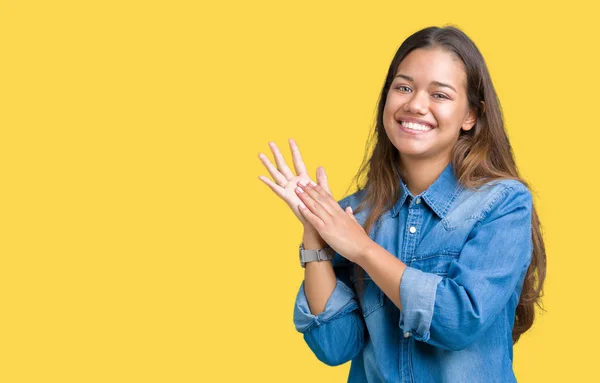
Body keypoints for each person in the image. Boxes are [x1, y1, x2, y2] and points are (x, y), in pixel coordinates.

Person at [258, 25, 546, 383]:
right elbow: (335, 346)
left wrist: (362, 249)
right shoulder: (352, 215)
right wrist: (315, 235)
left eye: (439, 95)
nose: (415, 104)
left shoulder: (502, 203)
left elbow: (458, 320)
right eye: (404, 87)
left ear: (471, 115)